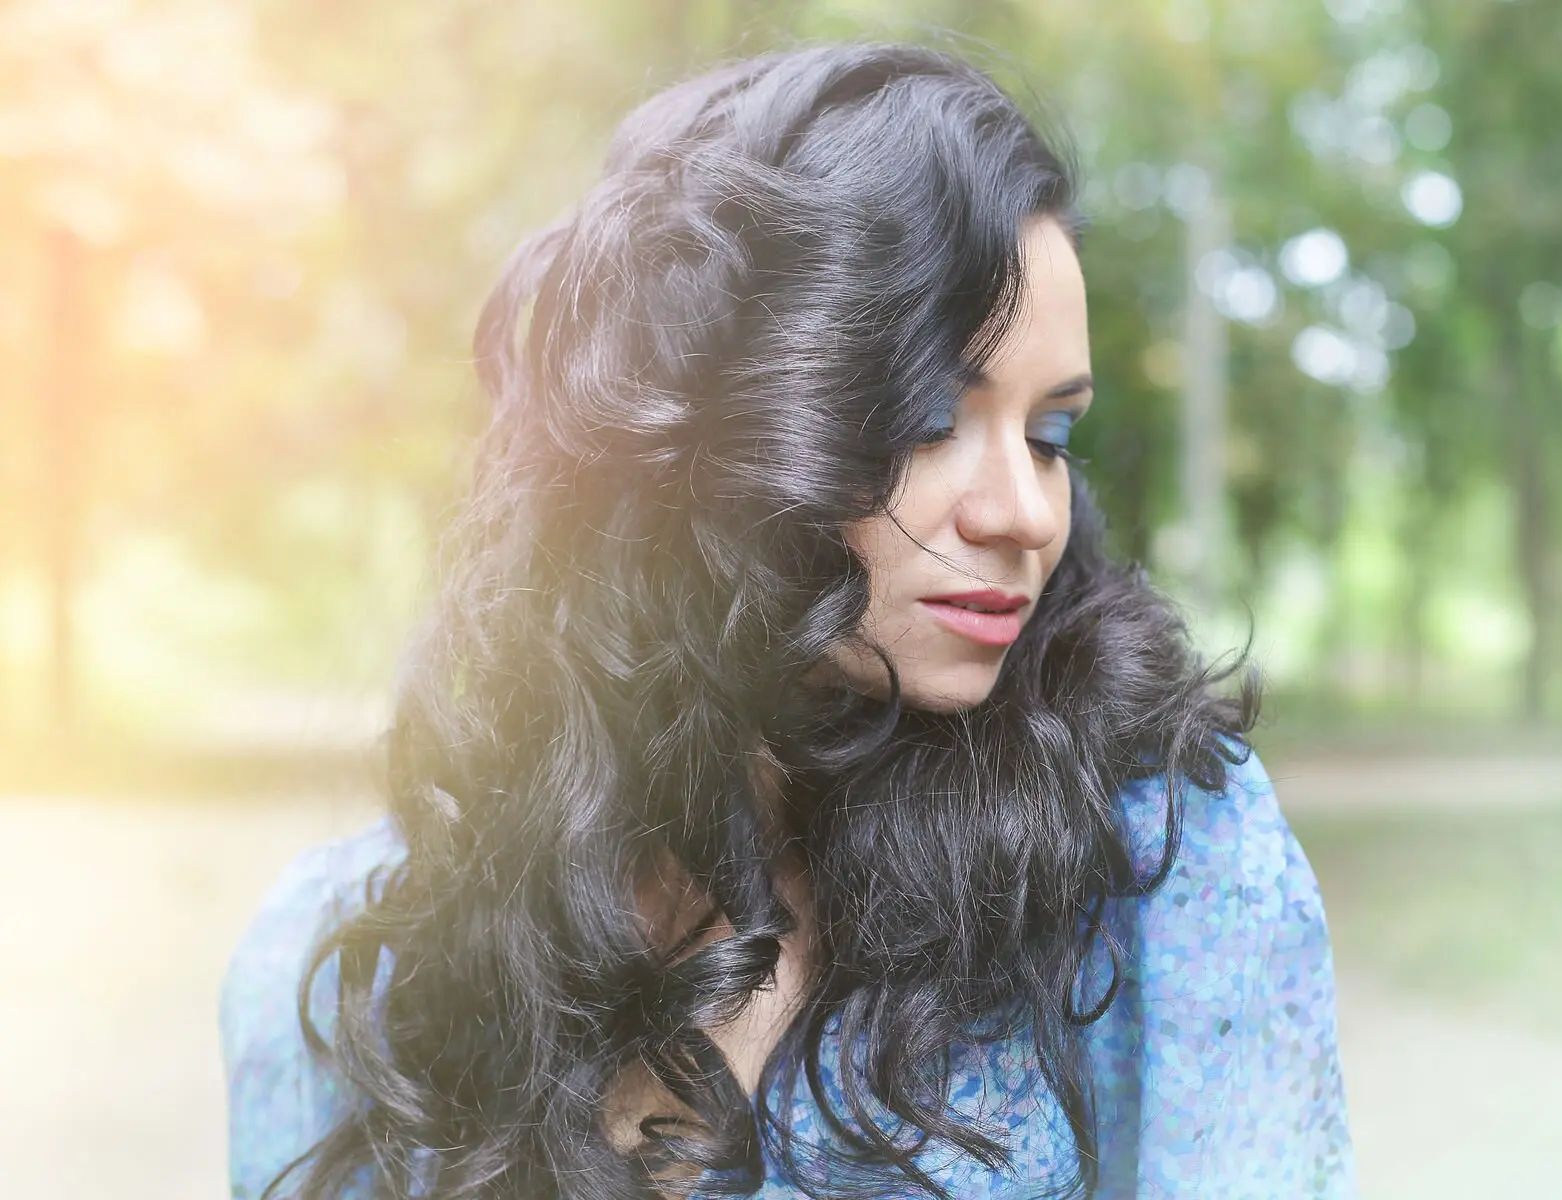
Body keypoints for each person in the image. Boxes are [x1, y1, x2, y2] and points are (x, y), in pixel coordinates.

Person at [221, 42, 1354, 1200]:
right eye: (926, 421)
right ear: (695, 434)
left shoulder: (1161, 861)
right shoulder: (360, 958)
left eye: (1049, 437)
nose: (1023, 512)